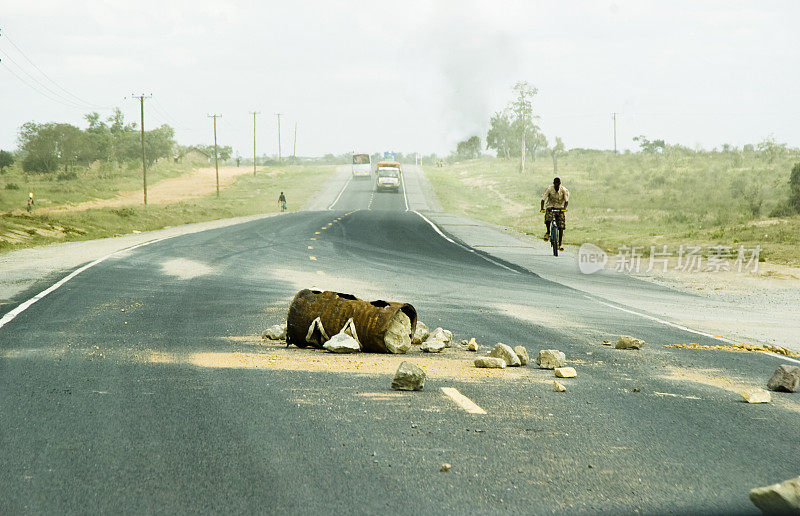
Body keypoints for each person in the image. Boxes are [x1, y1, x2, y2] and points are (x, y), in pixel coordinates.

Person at [540, 177, 569, 251]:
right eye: (555, 185)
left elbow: (566, 201)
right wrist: (542, 208)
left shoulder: (564, 190)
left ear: (560, 184)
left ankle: (560, 244)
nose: (557, 186)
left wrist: (564, 208)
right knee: (548, 219)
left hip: (560, 208)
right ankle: (548, 232)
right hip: (550, 206)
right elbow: (543, 199)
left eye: (558, 185)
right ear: (553, 184)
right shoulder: (549, 189)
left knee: (561, 226)